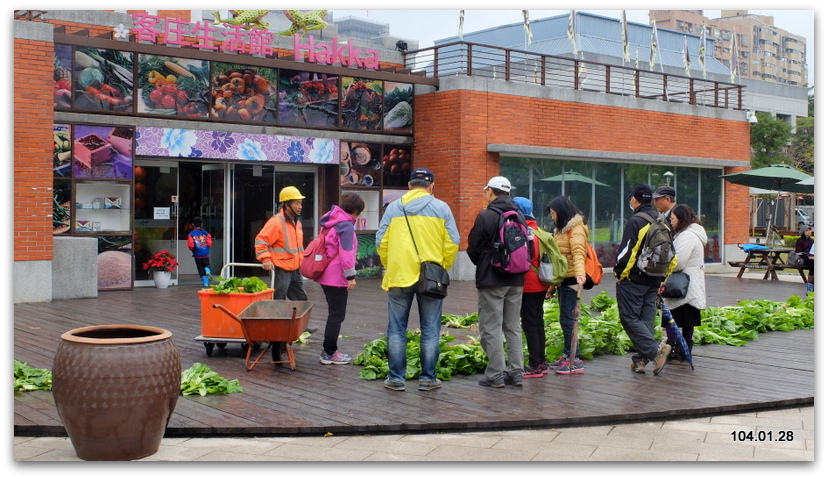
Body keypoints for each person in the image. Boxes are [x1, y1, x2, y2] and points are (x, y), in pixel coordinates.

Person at [376, 168, 460, 392]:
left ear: (409, 185)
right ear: (431, 186)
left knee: (396, 330)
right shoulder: (442, 208)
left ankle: (395, 379)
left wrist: (389, 263)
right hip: (431, 277)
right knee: (431, 330)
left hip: (399, 275)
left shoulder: (393, 207)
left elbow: (380, 241)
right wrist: (442, 266)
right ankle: (428, 379)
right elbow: (453, 241)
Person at [467, 176, 526, 388]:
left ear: (491, 192)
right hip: (516, 278)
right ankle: (516, 372)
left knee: (490, 327)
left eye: (486, 191)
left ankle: (495, 374)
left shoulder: (486, 215)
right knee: (512, 326)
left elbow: (473, 247)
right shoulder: (519, 215)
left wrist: (483, 263)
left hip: (492, 278)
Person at [614, 183, 673, 375]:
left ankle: (657, 351)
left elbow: (627, 252)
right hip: (655, 278)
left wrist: (620, 273)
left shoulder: (636, 221)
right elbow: (672, 254)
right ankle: (640, 361)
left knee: (629, 318)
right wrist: (664, 276)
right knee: (646, 320)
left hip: (634, 279)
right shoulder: (663, 220)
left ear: (634, 199)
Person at [254, 186, 314, 355]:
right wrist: (265, 259)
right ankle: (276, 335)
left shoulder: (297, 222)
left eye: (301, 203)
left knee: (300, 299)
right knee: (278, 302)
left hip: (294, 268)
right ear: (286, 204)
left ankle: (301, 327)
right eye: (297, 203)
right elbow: (261, 240)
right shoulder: (276, 222)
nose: (300, 206)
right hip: (281, 268)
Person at [314, 192, 365, 365]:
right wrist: (350, 276)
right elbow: (346, 252)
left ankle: (329, 351)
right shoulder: (346, 226)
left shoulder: (331, 222)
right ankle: (329, 352)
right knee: (336, 315)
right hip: (336, 276)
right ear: (356, 210)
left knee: (333, 314)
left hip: (326, 273)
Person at [661, 204, 707, 364]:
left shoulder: (687, 236)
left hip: (683, 285)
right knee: (687, 322)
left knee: (674, 319)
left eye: (673, 219)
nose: (671, 222)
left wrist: (664, 262)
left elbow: (678, 262)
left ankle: (676, 352)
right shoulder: (692, 233)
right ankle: (684, 352)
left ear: (681, 218)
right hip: (689, 284)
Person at [547, 196, 588, 375]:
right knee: (565, 319)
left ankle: (574, 359)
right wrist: (551, 287)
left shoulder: (576, 229)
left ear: (561, 212)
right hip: (563, 279)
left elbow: (579, 253)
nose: (552, 216)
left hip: (573, 280)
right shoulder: (561, 230)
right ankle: (567, 354)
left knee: (569, 320)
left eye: (553, 213)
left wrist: (580, 274)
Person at [512, 197, 549, 379]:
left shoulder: (523, 230)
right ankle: (541, 361)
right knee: (538, 321)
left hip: (528, 283)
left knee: (529, 324)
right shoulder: (538, 230)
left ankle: (535, 365)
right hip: (541, 282)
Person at [187, 216, 213, 287]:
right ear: (201, 224)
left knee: (200, 268)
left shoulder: (191, 234)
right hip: (205, 254)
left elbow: (191, 245)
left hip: (197, 255)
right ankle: (208, 271)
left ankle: (205, 283)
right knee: (206, 265)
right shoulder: (206, 233)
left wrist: (192, 249)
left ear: (193, 225)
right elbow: (210, 243)